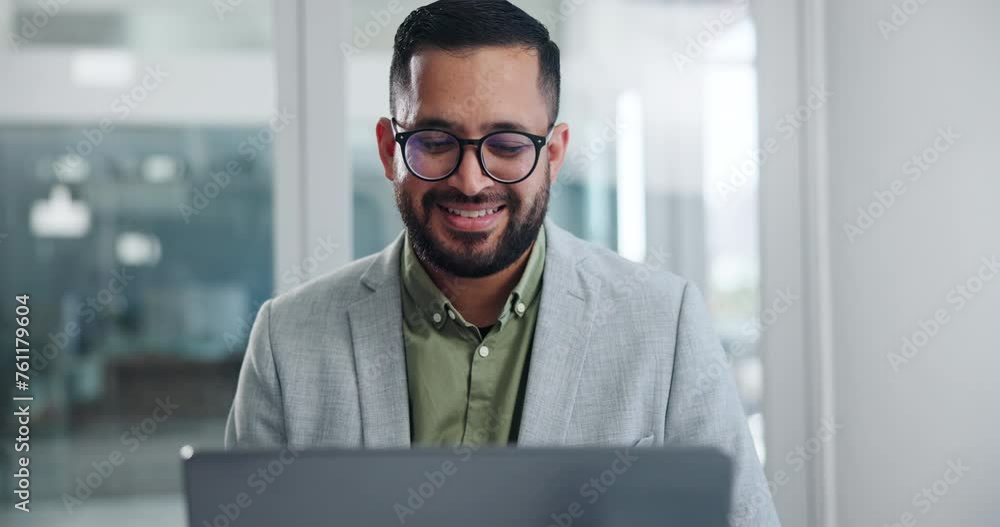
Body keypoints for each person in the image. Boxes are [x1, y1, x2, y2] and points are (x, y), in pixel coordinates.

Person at [226, 1, 779, 524]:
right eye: (435, 141)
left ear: (554, 154)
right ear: (391, 150)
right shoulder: (287, 340)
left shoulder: (666, 325)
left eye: (508, 145)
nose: (471, 181)